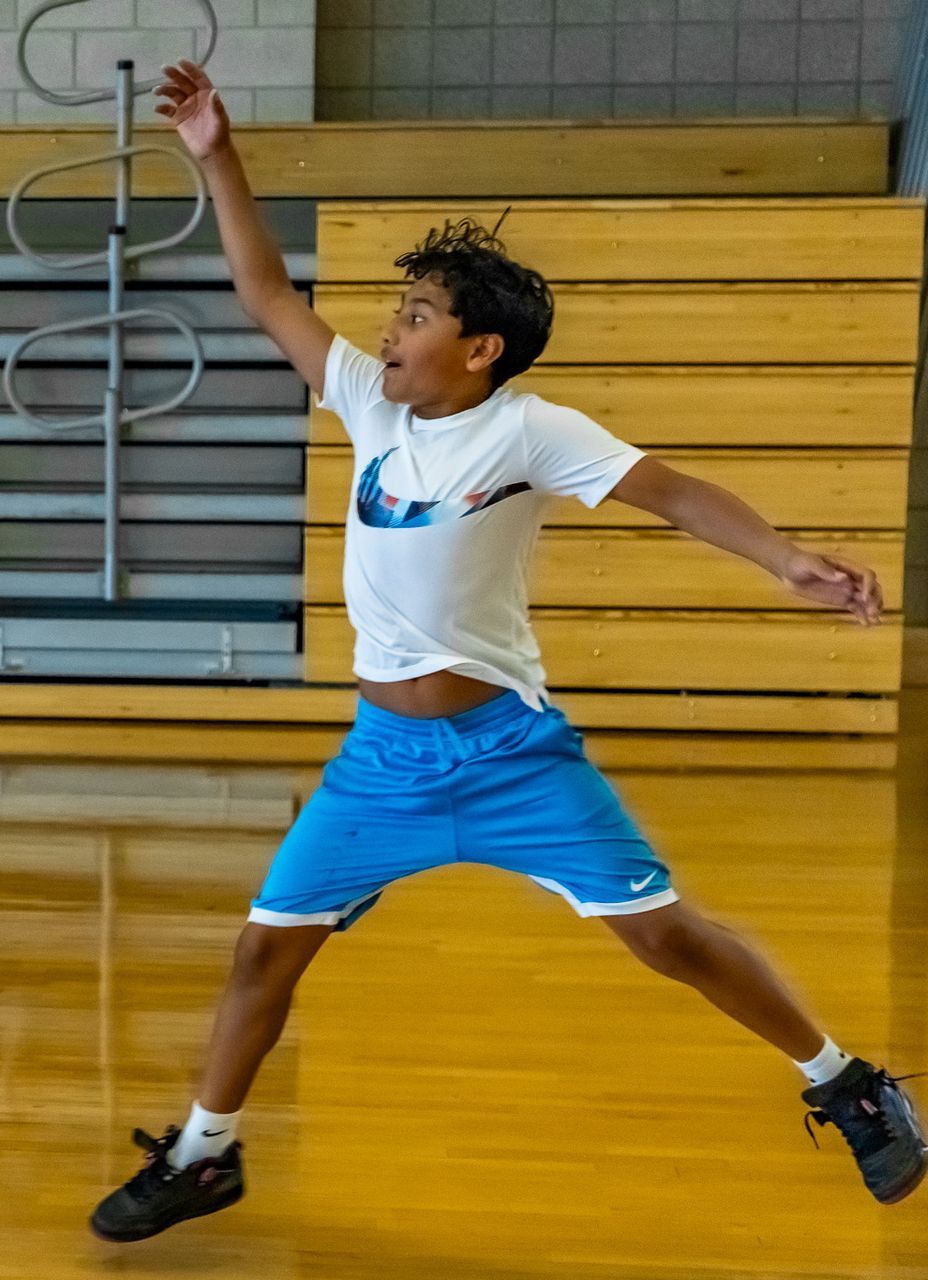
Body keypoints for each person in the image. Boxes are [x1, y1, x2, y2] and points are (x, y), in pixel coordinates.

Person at [89, 59, 922, 1244]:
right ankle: (204, 1153)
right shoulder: (374, 408)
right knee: (261, 954)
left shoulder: (530, 427)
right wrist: (215, 152)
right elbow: (265, 288)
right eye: (399, 312)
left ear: (480, 350)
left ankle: (845, 1079)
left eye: (418, 317)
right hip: (381, 761)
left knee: (665, 935)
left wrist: (783, 556)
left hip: (510, 753)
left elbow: (673, 492)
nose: (392, 330)